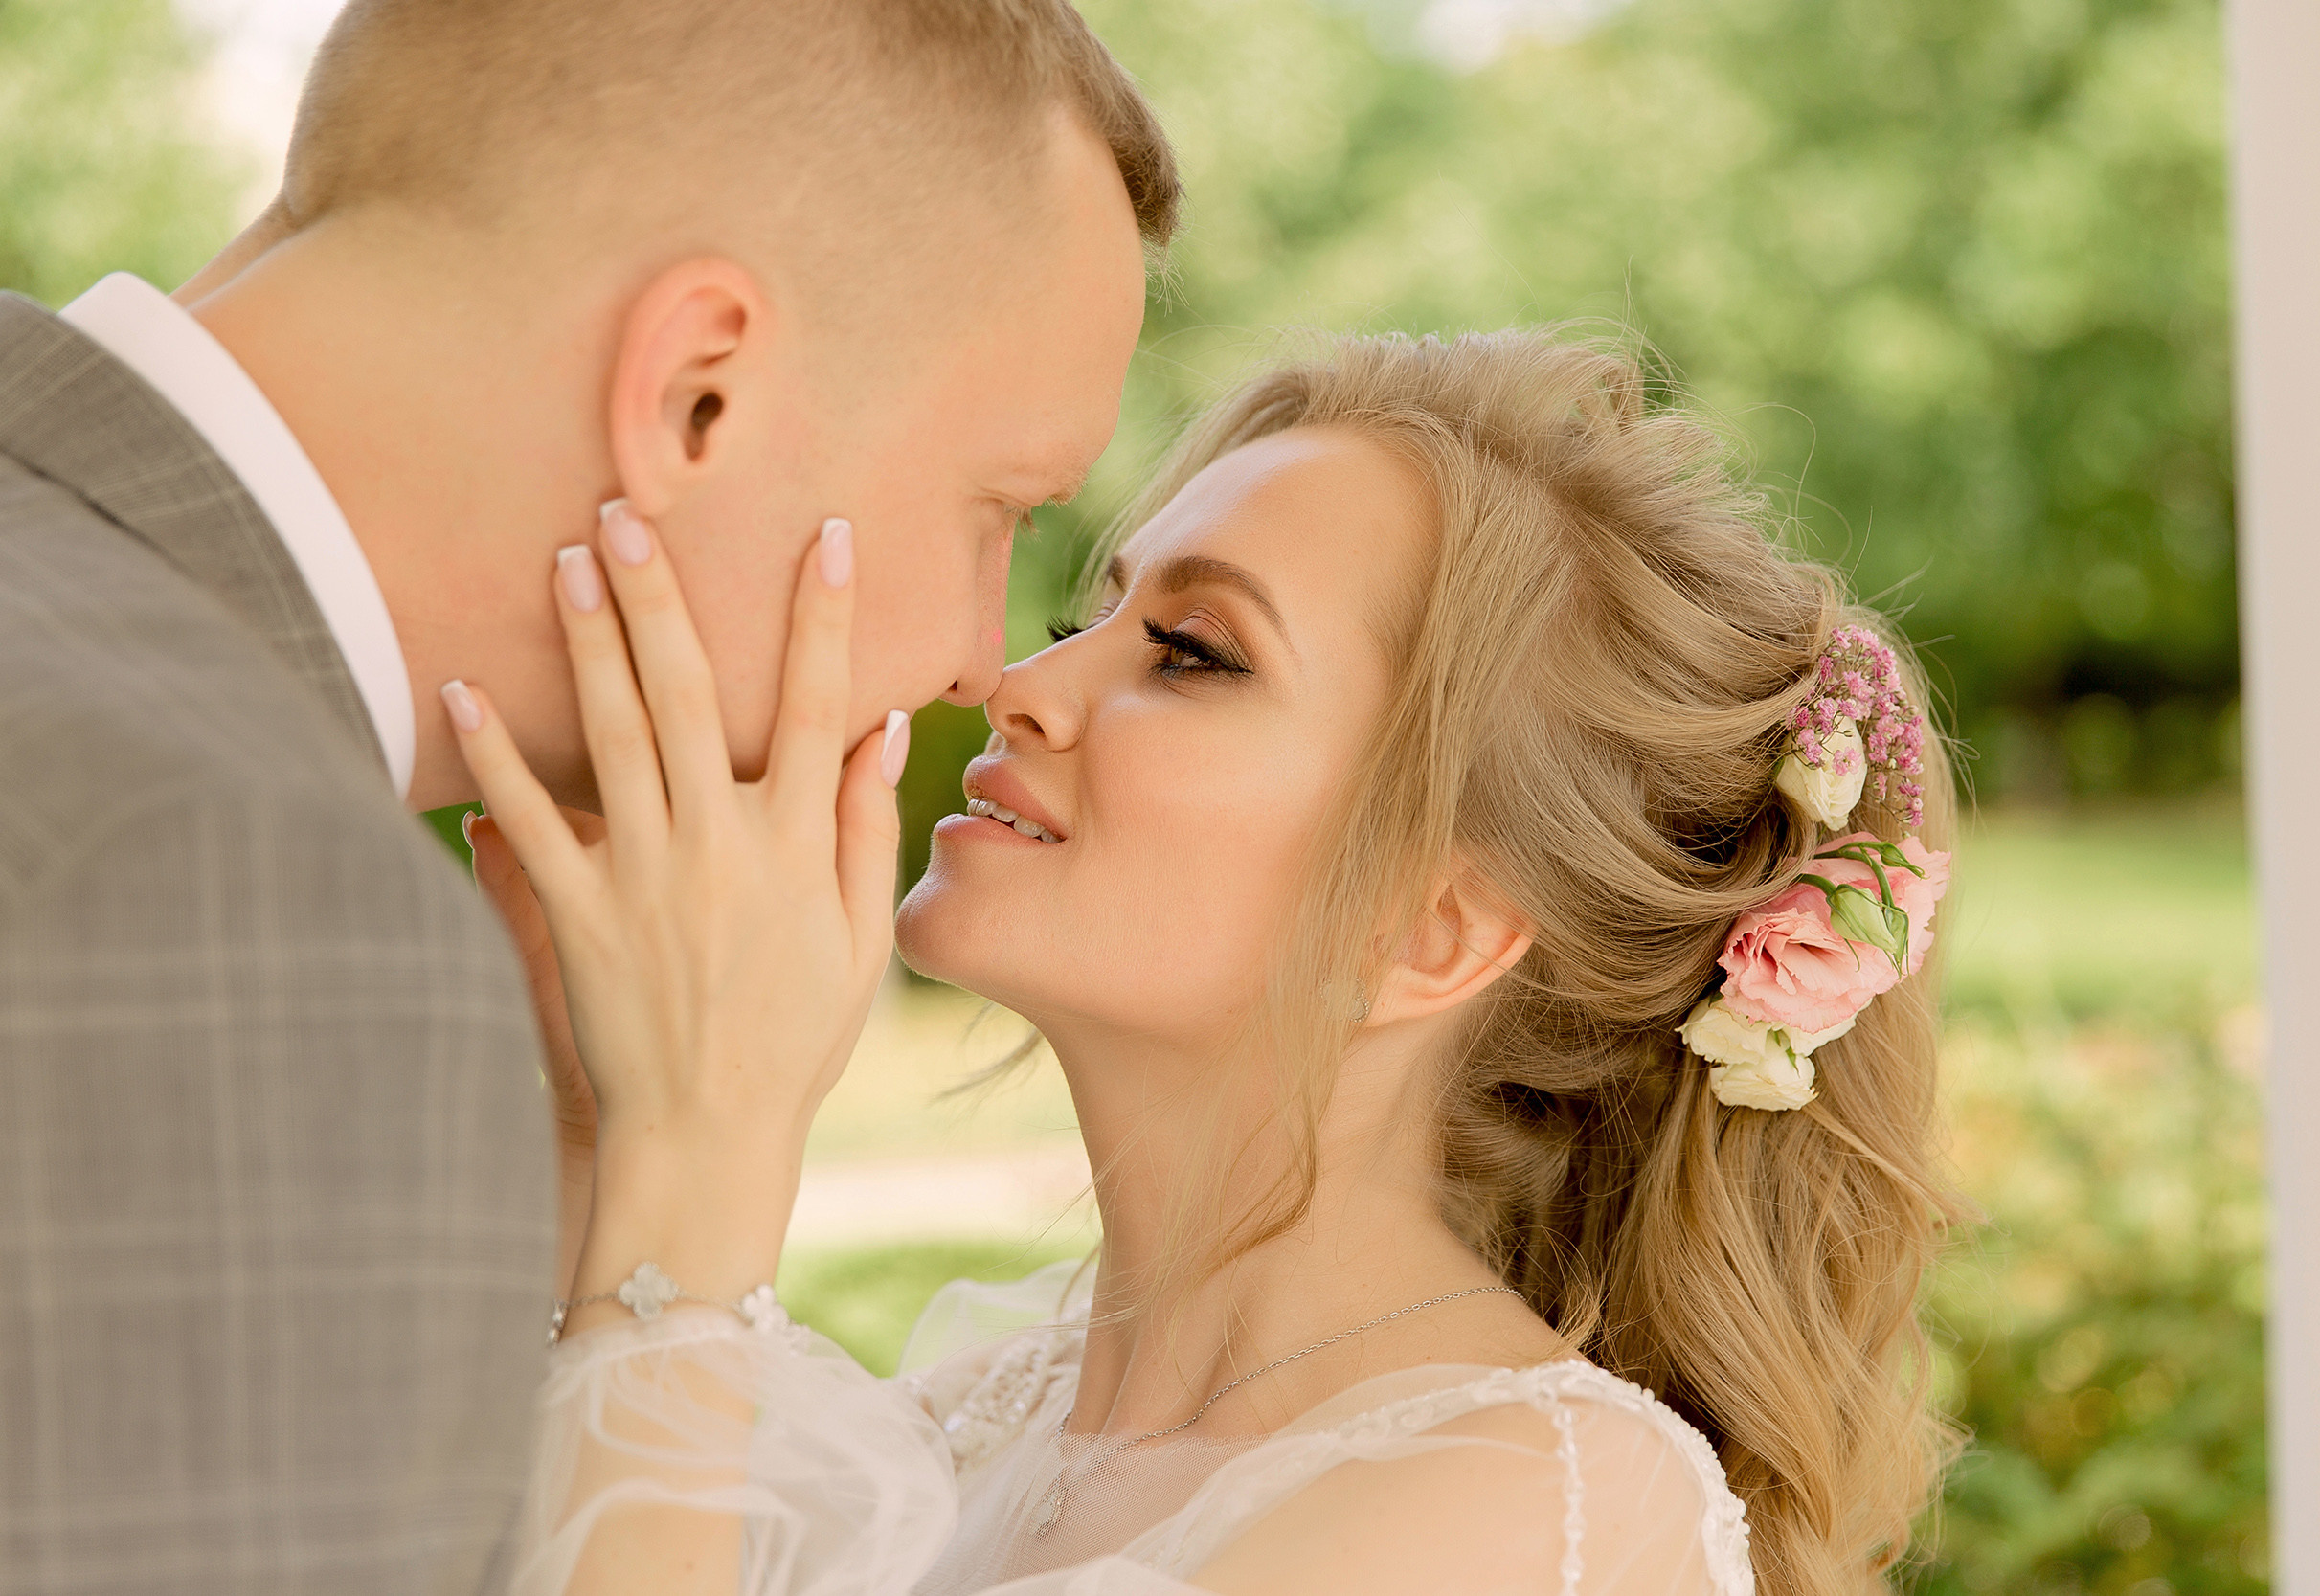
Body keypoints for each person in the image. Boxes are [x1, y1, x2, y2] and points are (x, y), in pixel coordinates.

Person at [459, 329, 1962, 1595]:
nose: (1017, 685)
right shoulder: (973, 1425)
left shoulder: (1529, 1510)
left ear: (1429, 931)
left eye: (1191, 652)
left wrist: (702, 1147)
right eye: (1086, 613)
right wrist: (605, 1128)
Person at [0, 2, 1175, 1590]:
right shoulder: (246, 886)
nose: (979, 657)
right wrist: (688, 1221)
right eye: (1000, 510)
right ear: (699, 392)